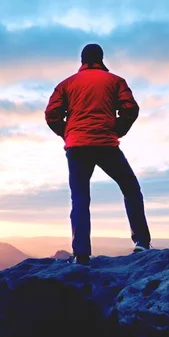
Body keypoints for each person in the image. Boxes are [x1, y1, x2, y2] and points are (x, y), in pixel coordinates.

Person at [44, 43, 151, 266]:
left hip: (77, 147)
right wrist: (118, 129)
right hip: (106, 144)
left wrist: (68, 133)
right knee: (130, 188)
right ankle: (141, 243)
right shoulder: (115, 81)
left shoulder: (66, 84)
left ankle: (81, 254)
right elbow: (130, 108)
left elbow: (51, 114)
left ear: (82, 60)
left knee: (80, 198)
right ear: (101, 58)